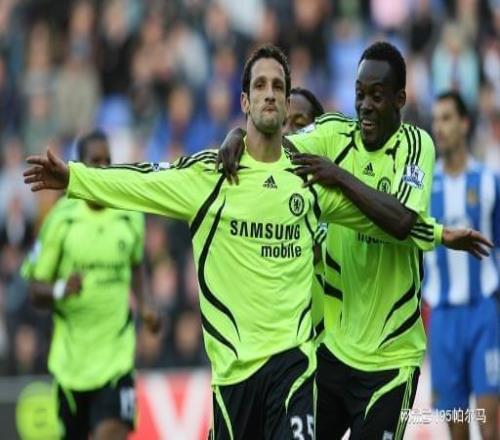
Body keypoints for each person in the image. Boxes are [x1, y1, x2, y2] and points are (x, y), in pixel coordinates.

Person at [24, 46, 489, 440]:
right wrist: (76, 178)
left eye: (278, 87)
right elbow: (147, 180)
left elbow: (393, 220)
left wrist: (435, 232)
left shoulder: (341, 171)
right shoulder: (224, 172)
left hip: (327, 360)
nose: (271, 94)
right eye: (261, 87)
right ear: (245, 100)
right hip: (258, 367)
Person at [215, 41, 491, 439]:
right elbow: (274, 144)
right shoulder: (333, 133)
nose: (364, 105)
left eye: (377, 96)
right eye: (359, 94)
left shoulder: (417, 146)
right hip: (334, 351)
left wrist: (339, 176)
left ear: (400, 100)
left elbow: (401, 220)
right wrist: (237, 135)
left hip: (391, 360)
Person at [21, 130, 161, 440]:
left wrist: (147, 305)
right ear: (77, 166)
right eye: (94, 161)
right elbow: (35, 290)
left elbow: (136, 264)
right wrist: (61, 289)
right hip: (71, 364)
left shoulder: (128, 213)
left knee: (110, 433)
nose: (102, 168)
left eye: (107, 161)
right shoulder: (61, 219)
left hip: (116, 361)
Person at [424, 91, 499, 440]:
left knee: (490, 425)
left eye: (447, 118)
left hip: (483, 313)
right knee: (457, 430)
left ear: (465, 124)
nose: (439, 127)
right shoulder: (424, 188)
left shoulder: (489, 182)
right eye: (435, 119)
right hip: (442, 319)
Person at [285, 87, 327, 342]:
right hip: (282, 345)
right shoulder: (260, 189)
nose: (288, 132)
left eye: (299, 125)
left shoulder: (334, 193)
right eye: (282, 123)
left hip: (329, 346)